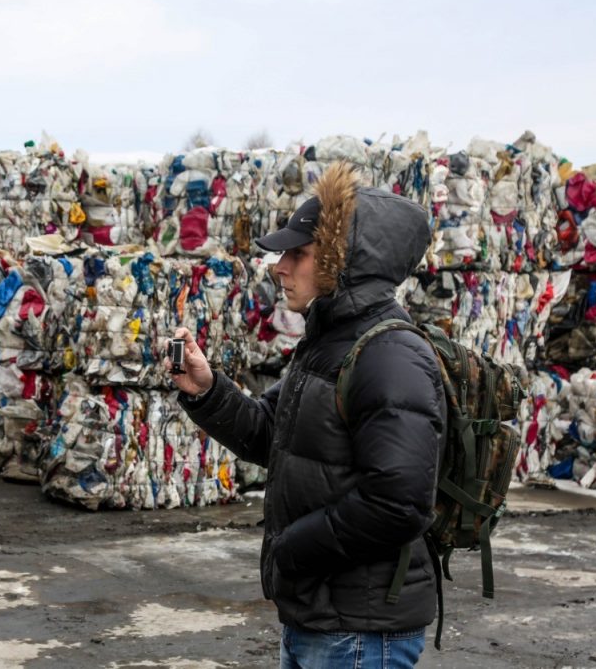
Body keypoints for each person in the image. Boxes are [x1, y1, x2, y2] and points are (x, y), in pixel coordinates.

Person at [167, 161, 445, 668]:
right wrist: (208, 391)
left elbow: (400, 501)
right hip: (320, 619)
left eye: (299, 253)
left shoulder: (389, 355)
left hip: (360, 633)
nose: (280, 266)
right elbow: (273, 435)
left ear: (345, 260)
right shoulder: (326, 343)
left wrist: (293, 549)